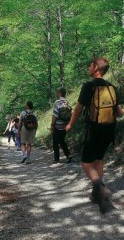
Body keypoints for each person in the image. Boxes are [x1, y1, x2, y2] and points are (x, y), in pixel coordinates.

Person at [66, 57, 123, 214]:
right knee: (99, 160)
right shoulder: (112, 87)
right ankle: (96, 195)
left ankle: (101, 187)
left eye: (90, 65)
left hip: (94, 130)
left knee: (86, 163)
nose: (88, 67)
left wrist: (70, 124)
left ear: (96, 68)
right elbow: (119, 113)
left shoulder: (88, 86)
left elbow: (78, 109)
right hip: (110, 129)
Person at [50, 87, 72, 164]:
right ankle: (68, 155)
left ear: (59, 93)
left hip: (58, 126)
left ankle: (56, 159)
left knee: (55, 142)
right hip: (65, 125)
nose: (56, 94)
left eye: (57, 92)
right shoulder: (67, 102)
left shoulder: (57, 102)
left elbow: (55, 115)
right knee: (62, 141)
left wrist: (52, 125)